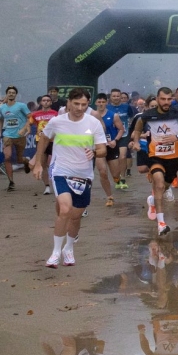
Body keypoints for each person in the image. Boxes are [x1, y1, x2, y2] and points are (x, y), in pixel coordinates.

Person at [31, 88, 107, 267]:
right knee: (65, 209)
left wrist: (94, 151)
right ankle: (55, 252)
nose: (79, 108)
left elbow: (103, 149)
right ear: (68, 103)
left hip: (83, 174)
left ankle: (69, 248)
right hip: (61, 171)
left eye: (83, 104)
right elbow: (44, 139)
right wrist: (38, 163)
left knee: (75, 216)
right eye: (76, 104)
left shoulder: (93, 123)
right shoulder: (57, 121)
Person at [131, 88, 178, 236]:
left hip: (173, 158)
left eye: (169, 99)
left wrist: (177, 137)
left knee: (164, 187)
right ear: (157, 99)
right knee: (159, 185)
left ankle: (152, 200)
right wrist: (136, 141)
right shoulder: (149, 114)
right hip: (155, 156)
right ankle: (161, 223)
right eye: (163, 99)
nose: (166, 102)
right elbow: (138, 127)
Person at [0, 86, 31, 191]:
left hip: (20, 135)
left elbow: (30, 117)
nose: (11, 94)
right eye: (9, 92)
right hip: (7, 135)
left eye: (13, 92)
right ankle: (11, 182)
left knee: (19, 160)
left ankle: (25, 161)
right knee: (7, 157)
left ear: (16, 95)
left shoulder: (21, 106)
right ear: (6, 94)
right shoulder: (2, 108)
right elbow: (0, 120)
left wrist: (24, 128)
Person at [28, 94, 59, 193]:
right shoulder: (35, 114)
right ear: (41, 102)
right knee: (43, 163)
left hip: (53, 141)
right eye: (44, 100)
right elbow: (29, 123)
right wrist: (26, 130)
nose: (46, 102)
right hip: (40, 140)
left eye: (48, 100)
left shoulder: (55, 114)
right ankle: (47, 186)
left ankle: (58, 183)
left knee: (57, 163)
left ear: (51, 102)